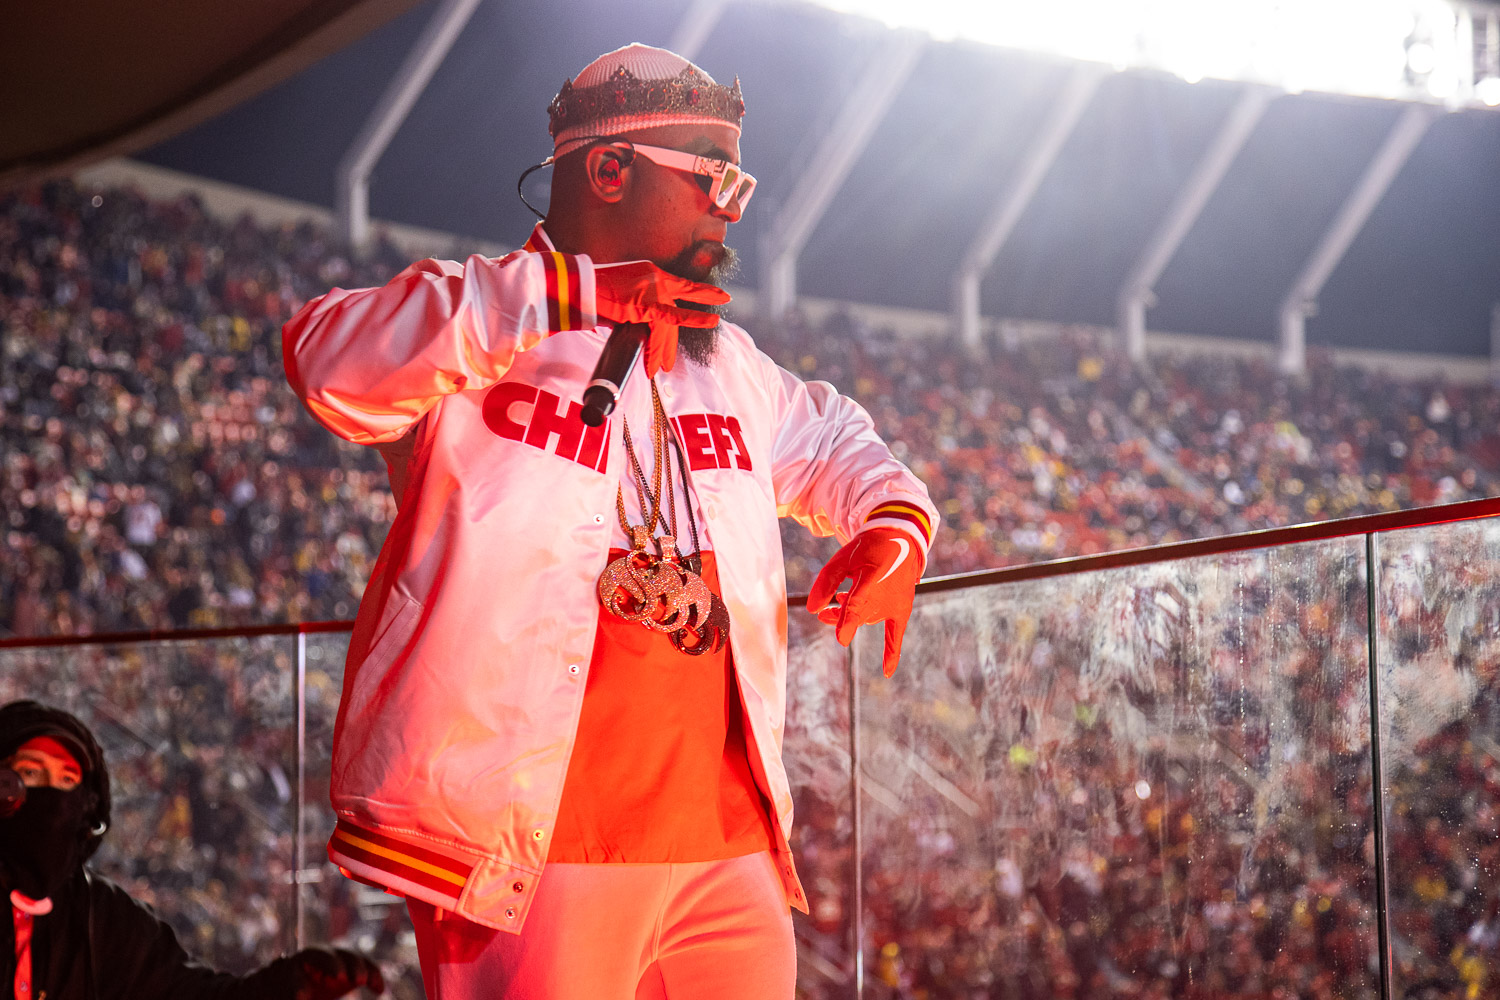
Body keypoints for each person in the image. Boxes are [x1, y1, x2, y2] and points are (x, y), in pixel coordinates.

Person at [282, 42, 938, 999]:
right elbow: (327, 359)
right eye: (714, 177)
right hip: (531, 851)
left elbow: (838, 440)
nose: (731, 209)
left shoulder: (728, 363)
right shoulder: (480, 327)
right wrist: (568, 295)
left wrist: (890, 525)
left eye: (741, 184)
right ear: (607, 169)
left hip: (731, 845)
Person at [0, 699, 385, 1000]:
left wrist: (281, 988)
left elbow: (190, 996)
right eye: (31, 773)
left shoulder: (106, 917)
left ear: (88, 809)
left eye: (67, 780)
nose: (51, 796)